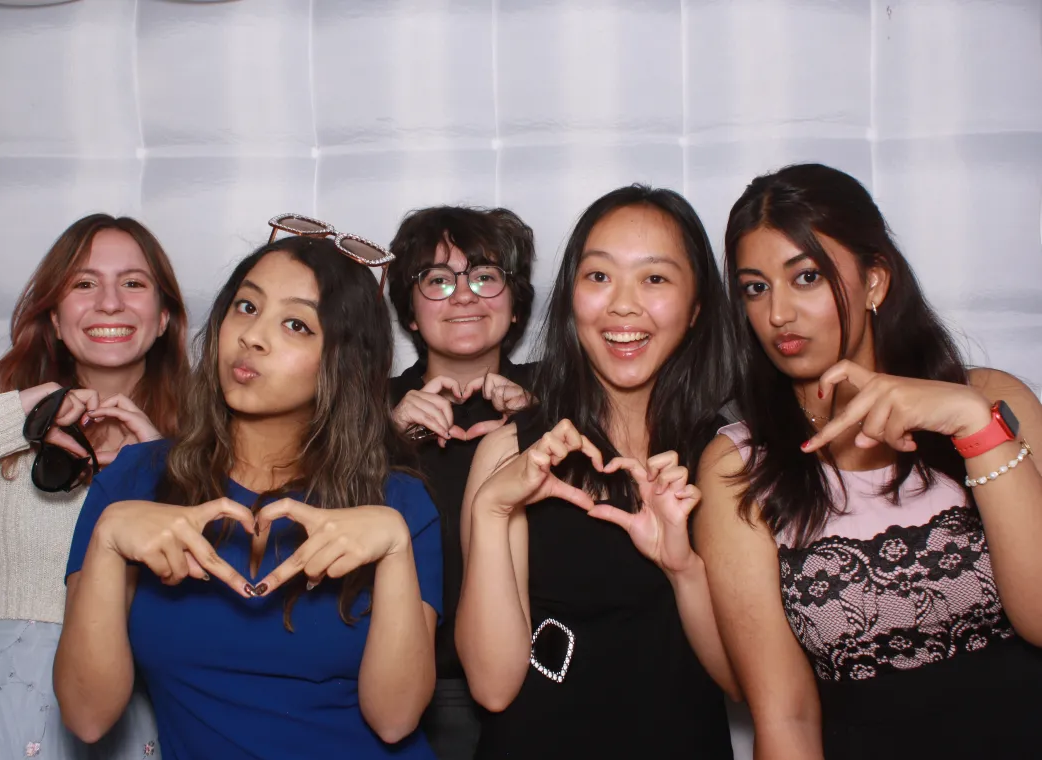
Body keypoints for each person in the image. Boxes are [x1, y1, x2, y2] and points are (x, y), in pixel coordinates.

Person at [696, 163, 1042, 760]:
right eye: (755, 287)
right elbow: (787, 719)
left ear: (875, 281)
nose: (778, 313)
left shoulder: (992, 401)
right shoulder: (737, 466)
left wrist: (972, 425)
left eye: (805, 277)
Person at [55, 228, 444, 760]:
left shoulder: (398, 503)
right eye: (245, 306)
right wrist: (106, 540)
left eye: (295, 324)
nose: (252, 337)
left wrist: (396, 548)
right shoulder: (134, 481)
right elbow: (86, 716)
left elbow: (396, 721)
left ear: (345, 360)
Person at [456, 186, 738, 758]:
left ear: (697, 305)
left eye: (655, 279)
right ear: (570, 297)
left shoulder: (726, 458)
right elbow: (491, 686)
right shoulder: (514, 449)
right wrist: (492, 509)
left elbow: (743, 682)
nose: (622, 306)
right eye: (599, 276)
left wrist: (683, 569)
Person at [0, 213, 188, 759]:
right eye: (84, 284)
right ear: (55, 319)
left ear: (163, 319)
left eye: (133, 282)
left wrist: (160, 468)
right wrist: (14, 413)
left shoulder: (202, 450)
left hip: (139, 720)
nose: (110, 302)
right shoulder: (3, 439)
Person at [386, 206, 537, 760]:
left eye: (485, 276)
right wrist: (385, 436)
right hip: (396, 690)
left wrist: (539, 421)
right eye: (438, 280)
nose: (464, 295)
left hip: (542, 684)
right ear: (408, 312)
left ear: (514, 302)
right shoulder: (365, 412)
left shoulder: (563, 398)